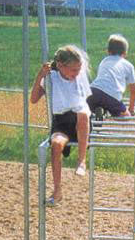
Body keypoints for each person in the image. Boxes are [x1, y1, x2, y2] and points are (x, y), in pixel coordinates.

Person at [30, 45, 92, 206]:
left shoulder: (80, 76)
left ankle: (81, 160)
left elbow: (86, 100)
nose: (77, 73)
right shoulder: (52, 78)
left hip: (79, 119)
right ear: (61, 66)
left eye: (79, 69)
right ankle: (57, 190)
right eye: (73, 70)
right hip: (61, 121)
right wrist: (40, 75)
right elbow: (34, 99)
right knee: (56, 145)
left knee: (83, 114)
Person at [87, 34, 135, 120]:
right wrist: (131, 109)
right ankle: (106, 111)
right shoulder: (128, 65)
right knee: (126, 117)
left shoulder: (104, 61)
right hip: (112, 95)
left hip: (92, 91)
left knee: (88, 110)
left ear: (108, 51)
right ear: (125, 53)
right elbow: (133, 91)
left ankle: (98, 110)